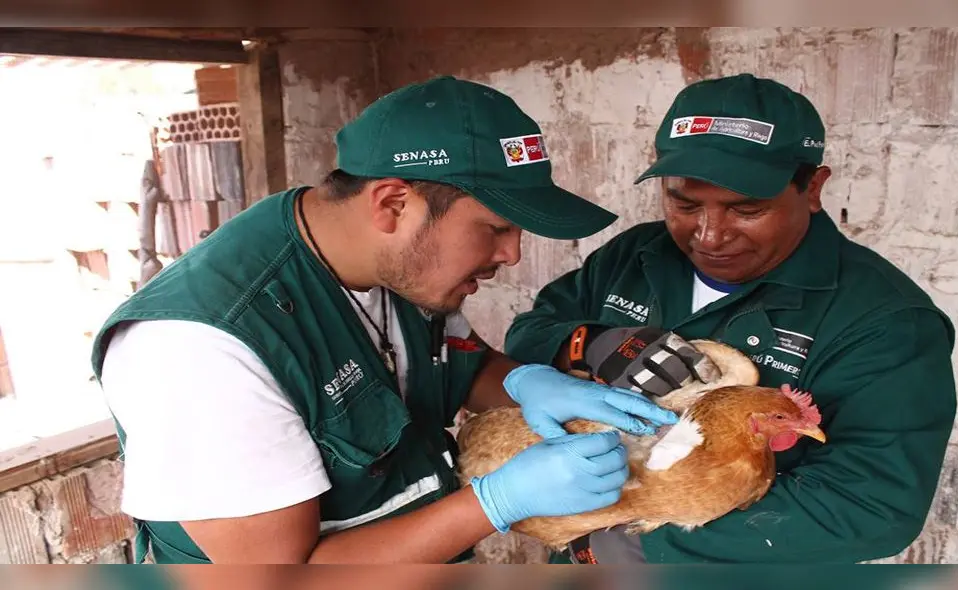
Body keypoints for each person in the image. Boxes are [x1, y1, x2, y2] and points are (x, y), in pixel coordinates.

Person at [90, 75, 687, 564]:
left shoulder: (394, 268)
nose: (512, 256)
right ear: (394, 203)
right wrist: (496, 503)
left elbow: (455, 359)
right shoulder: (200, 349)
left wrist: (521, 381)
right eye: (497, 228)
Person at [503, 73, 958, 563]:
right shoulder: (634, 256)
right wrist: (587, 341)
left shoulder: (885, 322)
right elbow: (529, 335)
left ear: (813, 188)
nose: (710, 235)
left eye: (747, 208)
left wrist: (638, 546)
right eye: (684, 202)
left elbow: (871, 506)